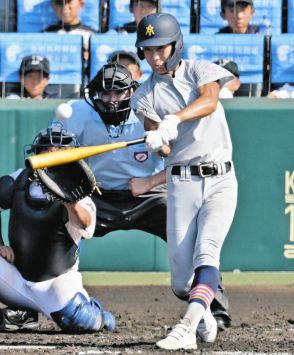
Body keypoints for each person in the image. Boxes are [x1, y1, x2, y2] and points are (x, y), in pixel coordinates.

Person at [131, 13, 238, 350]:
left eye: (160, 48)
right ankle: (202, 314)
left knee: (208, 253)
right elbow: (162, 144)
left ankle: (186, 328)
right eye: (148, 50)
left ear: (176, 44)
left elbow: (209, 101)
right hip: (181, 185)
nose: (154, 56)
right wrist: (155, 140)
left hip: (220, 179)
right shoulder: (143, 96)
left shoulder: (200, 69)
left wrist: (174, 118)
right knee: (181, 282)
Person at [0, 124, 115, 333]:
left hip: (55, 282)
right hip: (16, 274)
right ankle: (25, 313)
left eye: (58, 154)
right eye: (46, 152)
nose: (51, 158)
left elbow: (85, 223)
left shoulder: (79, 192)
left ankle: (101, 315)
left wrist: (69, 200)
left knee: (78, 320)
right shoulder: (19, 179)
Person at [43, 0, 98, 82]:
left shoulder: (93, 36)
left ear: (81, 4)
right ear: (53, 6)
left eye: (69, 2)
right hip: (52, 83)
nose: (64, 7)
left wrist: (89, 55)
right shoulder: (44, 36)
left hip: (84, 82)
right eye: (59, 3)